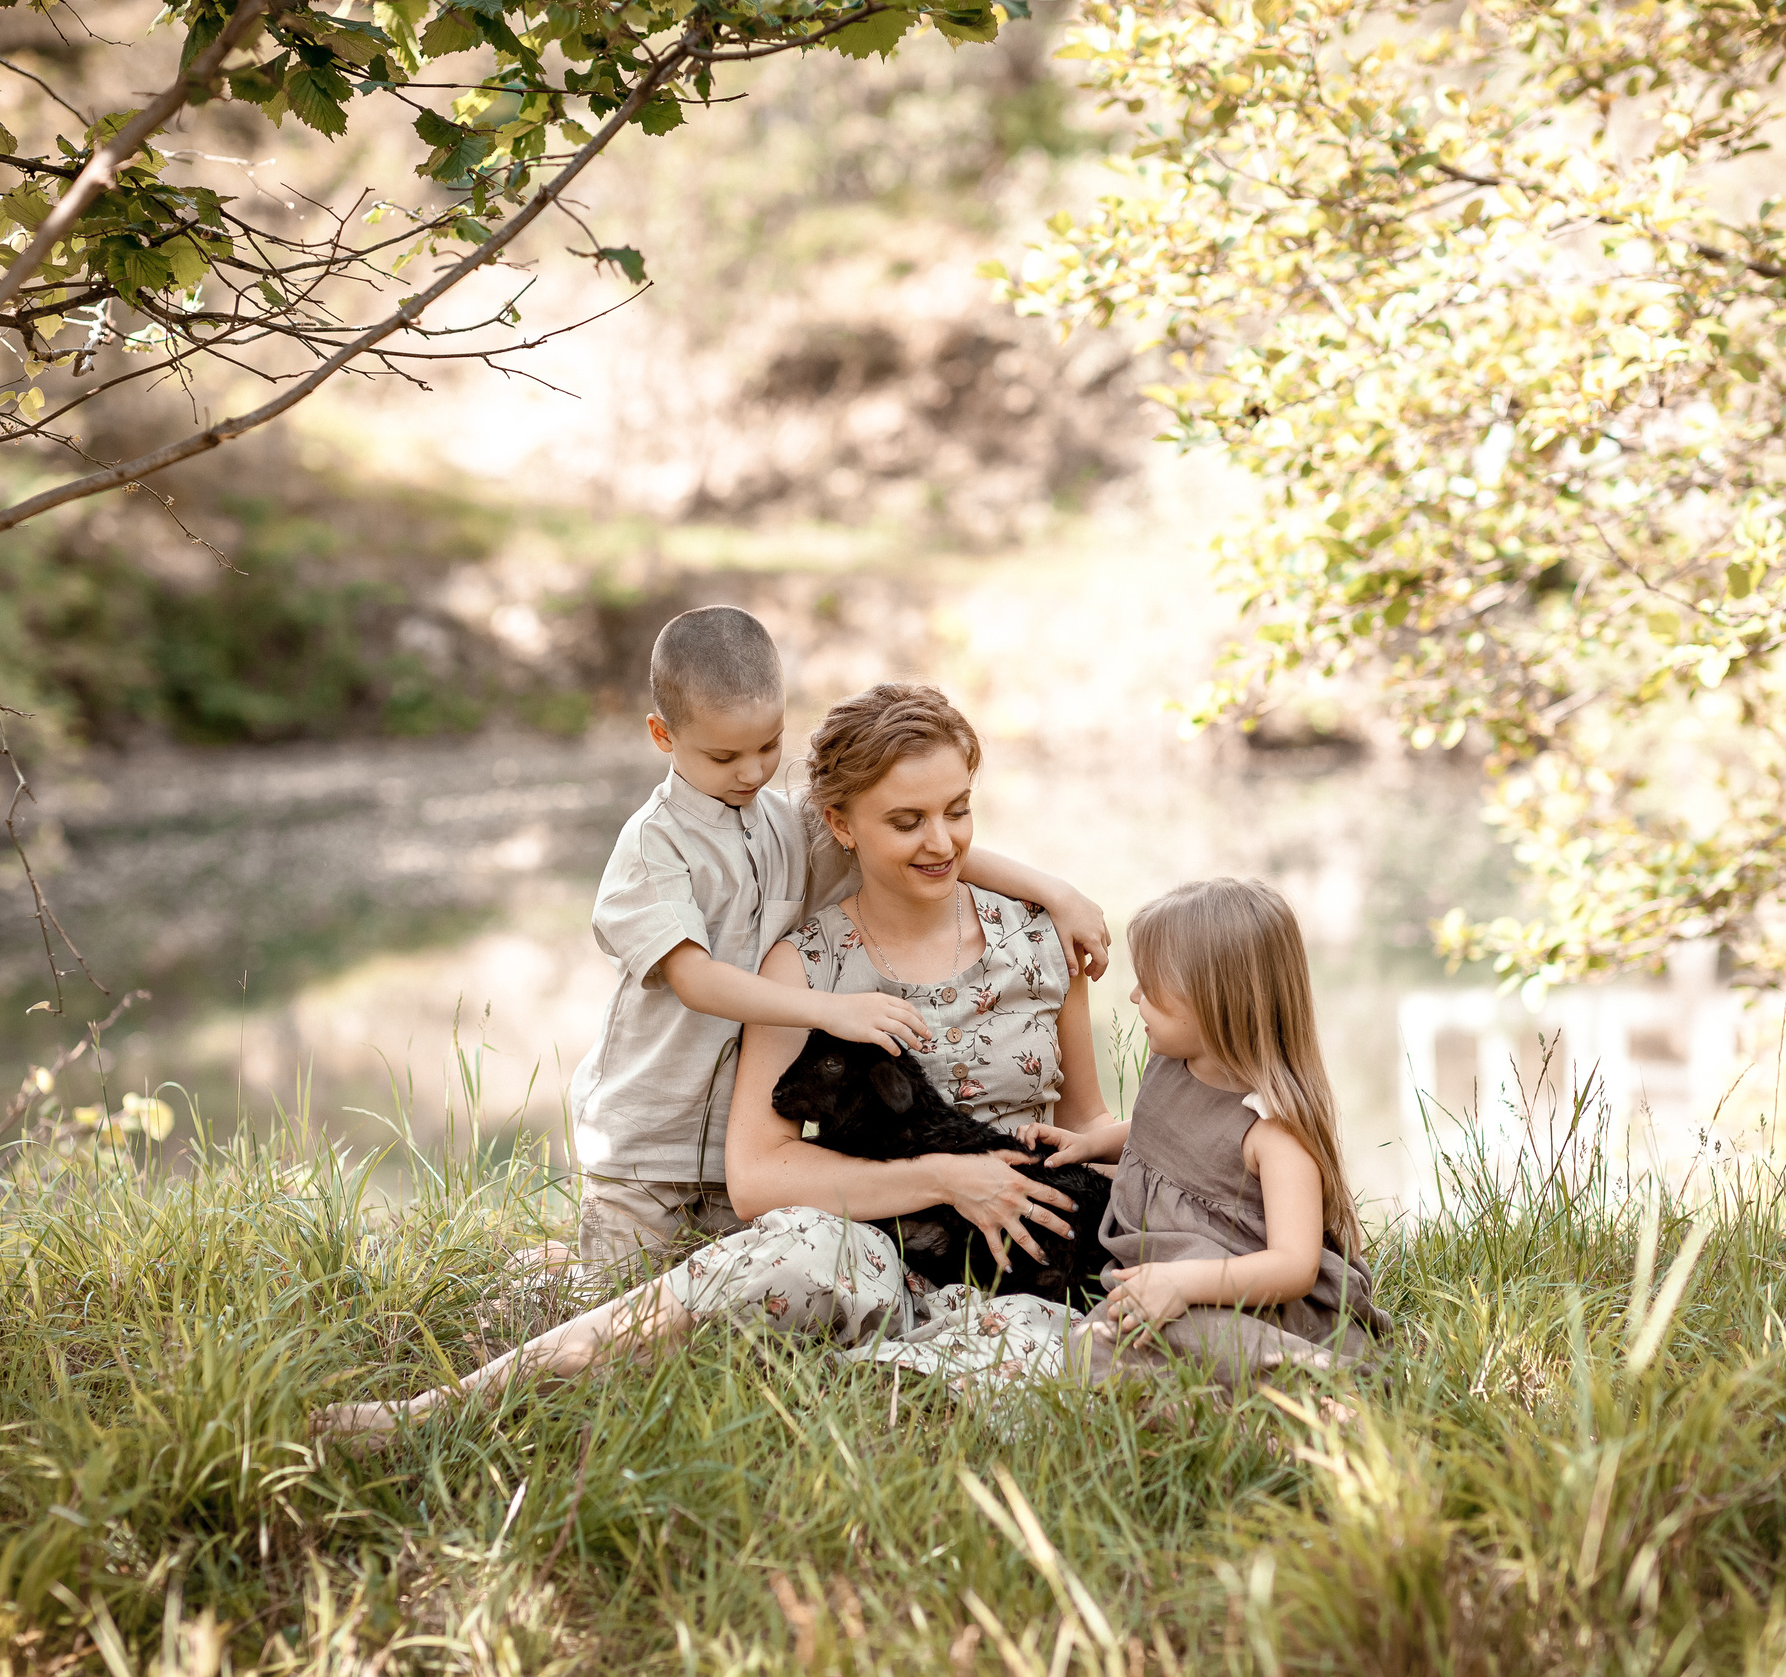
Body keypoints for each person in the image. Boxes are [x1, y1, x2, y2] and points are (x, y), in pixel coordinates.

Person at [316, 684, 1112, 1442]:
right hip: (876, 1248)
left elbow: (1086, 1124)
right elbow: (760, 1178)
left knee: (1065, 1357)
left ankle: (859, 1374)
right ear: (839, 825)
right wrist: (944, 1179)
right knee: (800, 1255)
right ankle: (432, 1411)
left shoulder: (1041, 941)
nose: (943, 842)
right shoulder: (803, 967)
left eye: (959, 810)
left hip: (1030, 1269)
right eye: (906, 821)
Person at [568, 609, 1110, 1267]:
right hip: (648, 1137)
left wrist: (1056, 891)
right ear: (662, 734)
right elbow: (695, 978)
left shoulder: (783, 822)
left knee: (715, 1299)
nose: (751, 771)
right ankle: (549, 1289)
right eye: (724, 755)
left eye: (768, 746)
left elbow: (923, 846)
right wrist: (828, 1008)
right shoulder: (655, 846)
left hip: (727, 1144)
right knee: (612, 1290)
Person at [1028, 878, 1392, 1382]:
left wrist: (1184, 1284)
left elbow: (1294, 1266)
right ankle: (1235, 1403)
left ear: (1216, 1000)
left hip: (1254, 1305)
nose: (1134, 997)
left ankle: (1324, 1378)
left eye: (1150, 988)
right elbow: (1161, 1133)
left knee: (1142, 1342)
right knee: (1094, 1349)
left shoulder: (1274, 1133)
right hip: (1173, 1287)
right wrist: (1093, 1144)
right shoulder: (1172, 1065)